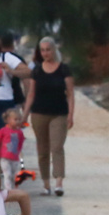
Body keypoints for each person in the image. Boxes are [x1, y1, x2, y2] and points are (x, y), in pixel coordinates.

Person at [25, 37, 75, 196]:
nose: (46, 53)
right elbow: (31, 94)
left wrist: (71, 114)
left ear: (54, 50)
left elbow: (70, 93)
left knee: (57, 147)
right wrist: (24, 115)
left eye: (48, 49)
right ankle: (46, 184)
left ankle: (59, 182)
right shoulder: (37, 70)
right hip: (39, 113)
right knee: (42, 149)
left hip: (59, 113)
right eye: (43, 50)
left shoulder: (64, 69)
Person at [0, 107, 33, 187]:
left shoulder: (19, 132)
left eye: (19, 119)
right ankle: (8, 191)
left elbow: (21, 142)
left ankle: (12, 189)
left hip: (15, 158)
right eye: (15, 119)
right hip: (5, 157)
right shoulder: (3, 131)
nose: (18, 121)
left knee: (12, 175)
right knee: (7, 174)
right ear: (8, 120)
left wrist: (19, 151)